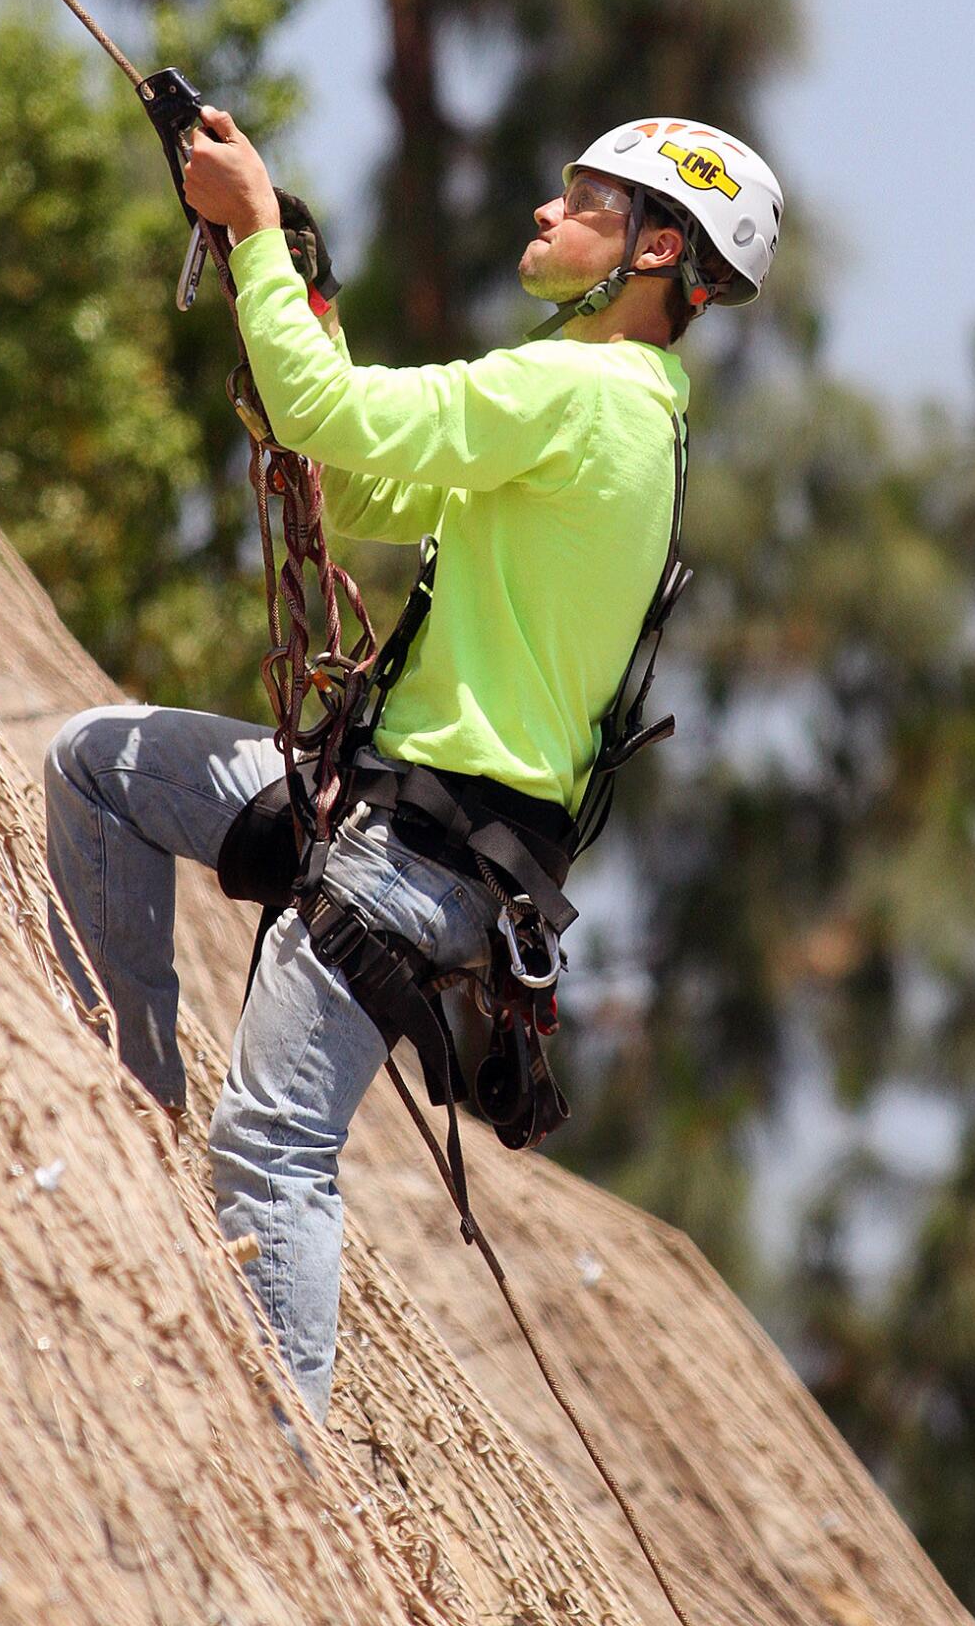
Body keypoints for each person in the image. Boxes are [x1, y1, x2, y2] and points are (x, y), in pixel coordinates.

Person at [44, 109, 783, 1418]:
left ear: (661, 250)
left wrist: (259, 237)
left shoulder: (581, 396)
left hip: (411, 853)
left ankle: (289, 1487)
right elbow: (363, 485)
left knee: (277, 1156)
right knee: (97, 760)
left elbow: (326, 414)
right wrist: (297, 292)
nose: (547, 211)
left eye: (586, 201)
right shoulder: (609, 411)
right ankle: (135, 1117)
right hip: (391, 821)